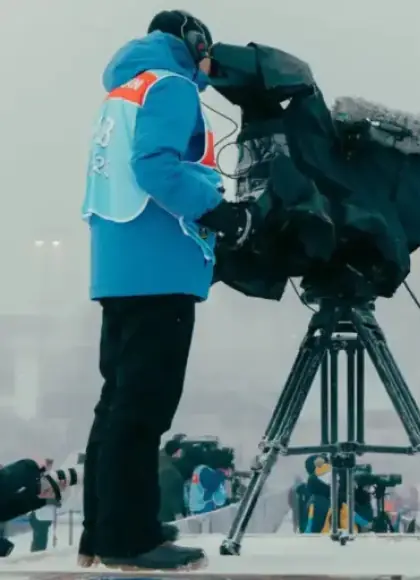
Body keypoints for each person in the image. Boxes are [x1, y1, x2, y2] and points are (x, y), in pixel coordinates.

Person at [79, 9, 261, 571]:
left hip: (121, 263)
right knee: (143, 407)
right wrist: (222, 214)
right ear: (192, 41)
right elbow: (157, 169)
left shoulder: (126, 89)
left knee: (117, 404)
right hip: (159, 264)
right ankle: (128, 541)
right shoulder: (172, 85)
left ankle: (105, 528)